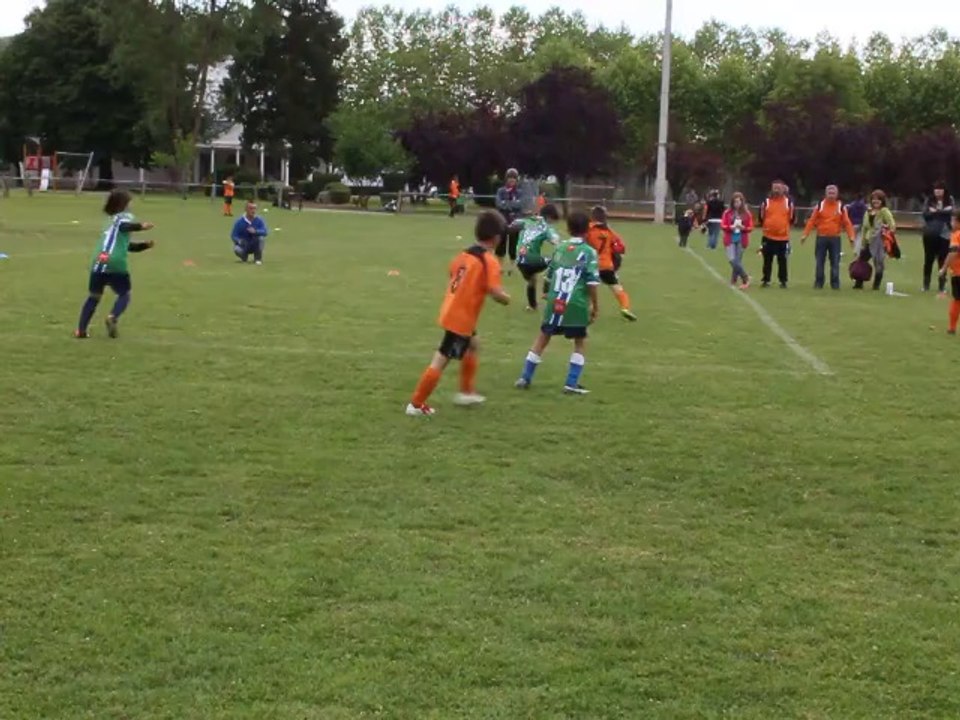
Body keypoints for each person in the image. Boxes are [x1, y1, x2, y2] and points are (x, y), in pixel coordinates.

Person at [407, 211, 511, 416]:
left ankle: (466, 391)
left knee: (474, 345)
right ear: (497, 238)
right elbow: (495, 291)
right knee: (441, 358)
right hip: (461, 318)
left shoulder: (464, 254)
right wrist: (507, 298)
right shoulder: (488, 260)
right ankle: (416, 404)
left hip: (452, 309)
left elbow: (452, 271)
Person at [515, 211, 600, 394]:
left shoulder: (560, 248)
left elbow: (550, 274)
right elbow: (592, 282)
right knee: (579, 341)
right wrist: (595, 305)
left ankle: (525, 377)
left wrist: (546, 293)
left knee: (542, 338)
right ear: (588, 230)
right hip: (576, 303)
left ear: (568, 229)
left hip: (556, 301)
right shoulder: (589, 252)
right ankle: (571, 383)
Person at [75, 190, 155, 339]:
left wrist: (143, 246)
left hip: (100, 260)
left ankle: (81, 330)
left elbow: (124, 245)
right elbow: (124, 226)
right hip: (116, 262)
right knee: (124, 294)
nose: (132, 204)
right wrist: (141, 226)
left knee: (93, 297)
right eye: (130, 201)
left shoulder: (108, 221)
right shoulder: (122, 217)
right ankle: (113, 317)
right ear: (124, 204)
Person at [585, 205, 637, 321]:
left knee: (587, 289)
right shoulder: (609, 231)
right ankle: (625, 308)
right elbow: (621, 248)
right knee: (618, 289)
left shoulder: (588, 229)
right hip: (606, 266)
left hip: (590, 265)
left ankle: (588, 310)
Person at [801, 184, 855, 290]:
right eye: (829, 192)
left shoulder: (841, 206)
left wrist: (851, 236)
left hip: (835, 239)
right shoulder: (820, 205)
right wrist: (805, 234)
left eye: (833, 193)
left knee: (835, 262)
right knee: (819, 262)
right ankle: (818, 282)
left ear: (837, 194)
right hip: (821, 238)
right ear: (826, 194)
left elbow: (847, 222)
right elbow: (811, 221)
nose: (831, 195)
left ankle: (835, 284)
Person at [515, 203, 561, 311]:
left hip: (520, 261)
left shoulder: (527, 221)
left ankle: (532, 306)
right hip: (531, 259)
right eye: (553, 220)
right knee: (556, 261)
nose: (553, 223)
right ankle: (546, 290)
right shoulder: (546, 226)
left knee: (532, 280)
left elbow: (514, 224)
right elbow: (556, 242)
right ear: (549, 217)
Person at [855, 189, 896, 290]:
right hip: (869, 241)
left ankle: (876, 286)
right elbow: (864, 228)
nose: (875, 201)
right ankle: (858, 284)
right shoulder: (868, 212)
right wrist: (863, 243)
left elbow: (892, 226)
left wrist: (885, 228)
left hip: (880, 242)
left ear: (882, 200)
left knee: (878, 263)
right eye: (873, 199)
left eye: (878, 199)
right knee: (861, 261)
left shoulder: (884, 211)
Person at [758, 179, 794, 288]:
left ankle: (783, 281)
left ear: (783, 189)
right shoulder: (766, 202)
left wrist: (783, 228)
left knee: (782, 260)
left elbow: (792, 218)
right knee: (767, 260)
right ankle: (766, 280)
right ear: (772, 189)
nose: (777, 190)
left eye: (779, 188)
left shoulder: (788, 202)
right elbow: (761, 217)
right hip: (768, 236)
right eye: (775, 187)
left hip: (783, 238)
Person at [922, 182, 954, 294]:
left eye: (940, 189)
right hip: (930, 233)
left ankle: (942, 285)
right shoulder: (929, 200)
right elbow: (925, 215)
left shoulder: (949, 200)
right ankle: (926, 284)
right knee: (928, 259)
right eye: (936, 189)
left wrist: (936, 212)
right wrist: (940, 213)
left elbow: (949, 213)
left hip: (944, 234)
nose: (938, 191)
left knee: (943, 260)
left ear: (944, 191)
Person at [720, 192, 753, 289]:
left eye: (738, 202)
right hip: (730, 239)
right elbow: (723, 225)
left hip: (741, 239)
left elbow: (750, 227)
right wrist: (731, 227)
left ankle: (736, 280)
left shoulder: (746, 213)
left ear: (742, 202)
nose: (737, 204)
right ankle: (745, 277)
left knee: (737, 261)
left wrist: (743, 227)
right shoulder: (727, 213)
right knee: (732, 260)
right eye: (735, 202)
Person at [495, 168, 524, 268]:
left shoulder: (519, 192)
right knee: (500, 244)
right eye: (510, 178)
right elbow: (499, 204)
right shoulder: (501, 191)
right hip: (502, 220)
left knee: (514, 244)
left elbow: (520, 205)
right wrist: (511, 204)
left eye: (514, 179)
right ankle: (500, 266)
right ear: (506, 179)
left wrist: (507, 204)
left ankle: (512, 267)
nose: (512, 181)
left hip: (515, 221)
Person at [939, 210, 960, 333]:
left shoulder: (956, 235)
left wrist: (944, 268)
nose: (951, 222)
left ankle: (952, 328)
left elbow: (953, 252)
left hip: (958, 273)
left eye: (953, 220)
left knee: (957, 300)